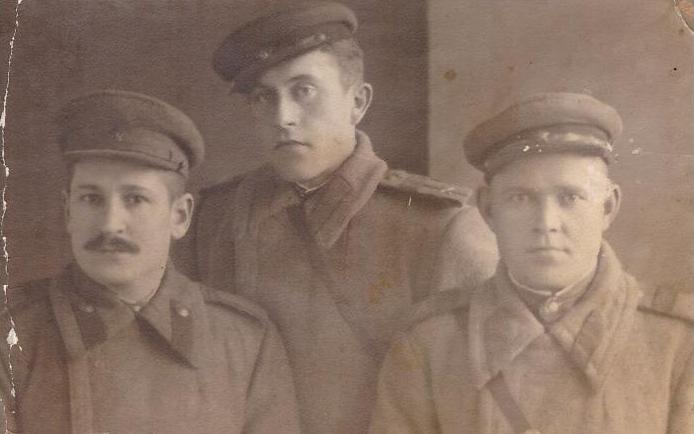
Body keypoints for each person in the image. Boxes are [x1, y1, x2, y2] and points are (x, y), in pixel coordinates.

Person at [174, 2, 497, 433]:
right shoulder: (213, 220)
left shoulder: (438, 228)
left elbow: (477, 402)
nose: (283, 117)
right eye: (263, 97)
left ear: (357, 102)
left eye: (303, 91)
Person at [369, 92, 693, 434]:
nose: (546, 222)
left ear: (608, 207)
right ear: (488, 210)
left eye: (570, 198)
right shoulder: (429, 346)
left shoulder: (678, 344)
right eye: (520, 198)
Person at [0, 90, 300, 434]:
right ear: (68, 212)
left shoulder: (244, 340)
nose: (110, 224)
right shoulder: (13, 333)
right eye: (91, 199)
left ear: (180, 216)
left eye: (135, 199)